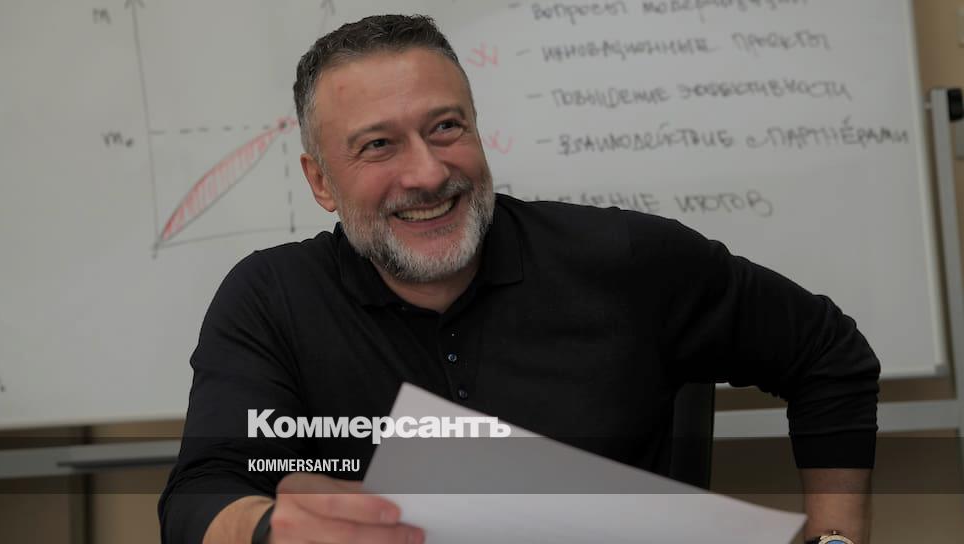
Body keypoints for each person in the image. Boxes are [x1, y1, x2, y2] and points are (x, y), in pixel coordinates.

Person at [159, 14, 879, 544]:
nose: (427, 173)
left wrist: (836, 539)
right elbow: (200, 493)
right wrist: (266, 530)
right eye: (378, 145)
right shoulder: (270, 299)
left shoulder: (624, 259)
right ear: (321, 181)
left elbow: (827, 351)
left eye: (446, 128)